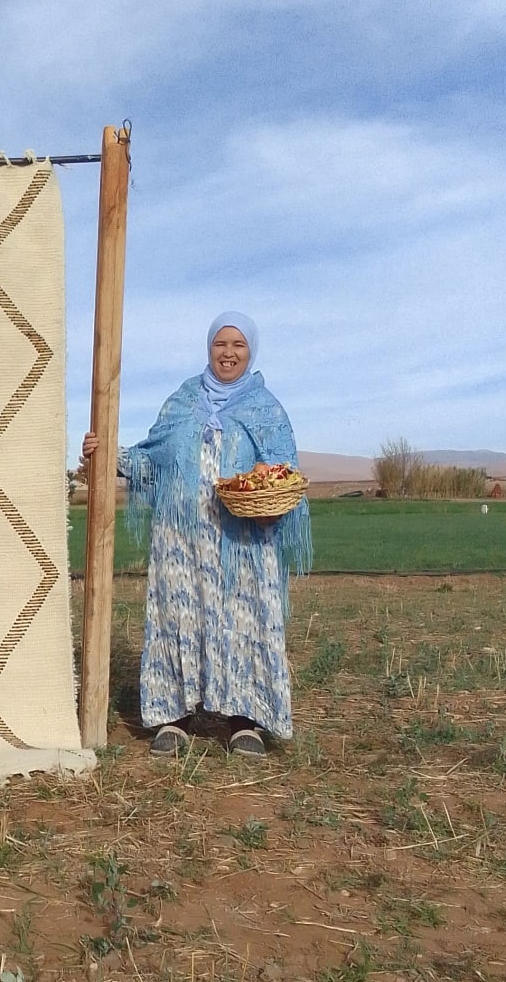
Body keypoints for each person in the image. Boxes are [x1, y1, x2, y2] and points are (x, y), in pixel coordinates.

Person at [81, 312, 310, 757]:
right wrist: (106, 452)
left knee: (245, 622)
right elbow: (154, 459)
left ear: (251, 352)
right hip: (180, 540)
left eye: (238, 346)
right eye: (220, 344)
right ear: (209, 349)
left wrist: (266, 486)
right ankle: (175, 717)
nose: (228, 353)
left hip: (243, 541)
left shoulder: (266, 408)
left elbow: (284, 470)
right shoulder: (184, 400)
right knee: (177, 618)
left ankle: (246, 722)